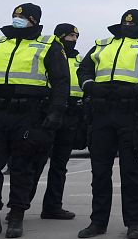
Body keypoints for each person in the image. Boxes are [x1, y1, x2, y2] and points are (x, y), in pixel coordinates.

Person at [0, 4, 69, 239]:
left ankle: (16, 216)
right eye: (15, 15)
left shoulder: (48, 45)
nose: (16, 19)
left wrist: (56, 112)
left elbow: (62, 82)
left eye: (22, 17)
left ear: (34, 20)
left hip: (29, 115)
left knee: (23, 167)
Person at [77, 9, 138, 239]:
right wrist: (89, 85)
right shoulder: (102, 44)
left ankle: (134, 223)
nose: (128, 26)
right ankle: (98, 222)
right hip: (101, 111)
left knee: (130, 171)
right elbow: (84, 69)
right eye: (125, 23)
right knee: (99, 171)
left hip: (130, 112)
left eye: (132, 24)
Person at [32, 23, 86, 220]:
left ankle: (52, 206)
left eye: (76, 36)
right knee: (36, 161)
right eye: (70, 35)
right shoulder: (49, 55)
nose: (74, 39)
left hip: (71, 114)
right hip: (48, 112)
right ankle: (20, 204)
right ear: (61, 36)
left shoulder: (80, 60)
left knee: (59, 165)